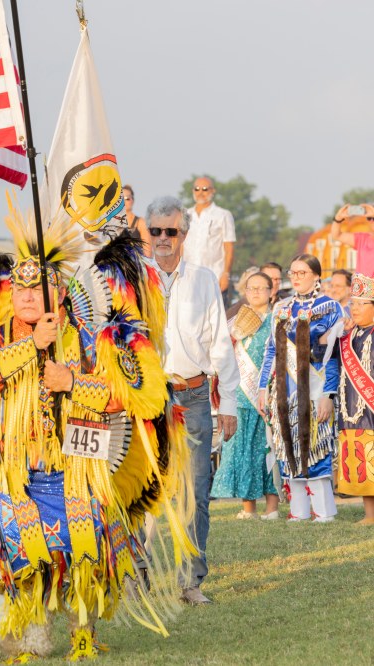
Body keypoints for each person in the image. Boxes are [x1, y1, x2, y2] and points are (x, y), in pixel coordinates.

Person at [0, 212, 195, 660]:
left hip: (78, 470)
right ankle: (26, 637)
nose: (28, 297)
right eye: (21, 290)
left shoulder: (90, 337)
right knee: (23, 559)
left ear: (61, 293)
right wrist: (31, 345)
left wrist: (70, 381)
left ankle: (83, 635)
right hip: (18, 471)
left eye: (38, 290)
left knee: (85, 555)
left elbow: (122, 399)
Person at [149, 195, 239, 605]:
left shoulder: (203, 278)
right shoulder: (132, 277)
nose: (162, 238)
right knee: (142, 489)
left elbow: (221, 343)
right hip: (145, 396)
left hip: (194, 394)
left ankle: (190, 582)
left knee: (195, 491)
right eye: (155, 231)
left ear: (184, 234)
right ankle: (136, 574)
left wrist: (230, 404)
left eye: (170, 231)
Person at [257, 254, 342, 522]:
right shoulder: (281, 308)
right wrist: (263, 389)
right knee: (287, 447)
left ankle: (324, 511)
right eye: (292, 272)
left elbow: (334, 356)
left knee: (316, 444)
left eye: (302, 272)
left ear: (317, 275)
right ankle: (298, 511)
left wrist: (328, 394)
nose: (295, 277)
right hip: (284, 391)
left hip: (315, 389)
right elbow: (270, 351)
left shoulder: (330, 308)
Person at [211, 272, 280, 519]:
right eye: (251, 288)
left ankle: (272, 507)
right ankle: (248, 507)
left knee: (266, 450)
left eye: (262, 288)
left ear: (272, 291)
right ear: (245, 291)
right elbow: (219, 351)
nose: (256, 292)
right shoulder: (235, 319)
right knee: (241, 450)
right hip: (239, 395)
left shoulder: (276, 319)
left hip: (265, 395)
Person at [337, 272, 374, 525]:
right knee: (363, 463)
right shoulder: (347, 336)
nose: (355, 308)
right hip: (352, 410)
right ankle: (370, 515)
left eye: (362, 303)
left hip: (370, 408)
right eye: (353, 303)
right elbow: (321, 354)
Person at [185, 177, 237, 297]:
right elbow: (181, 245)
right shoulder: (185, 215)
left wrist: (226, 274)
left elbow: (229, 247)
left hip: (214, 276)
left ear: (213, 191)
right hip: (189, 276)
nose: (200, 193)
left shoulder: (223, 215)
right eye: (197, 189)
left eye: (205, 189)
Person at [122, 184, 151, 256]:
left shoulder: (141, 222)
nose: (123, 202)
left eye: (127, 198)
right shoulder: (111, 224)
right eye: (120, 199)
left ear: (132, 200)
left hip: (136, 264)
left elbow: (147, 250)